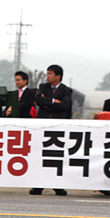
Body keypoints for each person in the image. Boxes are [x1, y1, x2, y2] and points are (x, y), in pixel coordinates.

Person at [31, 64, 72, 197]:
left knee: (57, 157)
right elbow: (38, 100)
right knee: (41, 155)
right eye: (47, 74)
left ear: (58, 76)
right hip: (43, 125)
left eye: (50, 74)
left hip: (58, 127)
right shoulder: (43, 87)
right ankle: (38, 185)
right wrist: (54, 101)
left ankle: (58, 186)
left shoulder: (66, 90)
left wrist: (47, 104)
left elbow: (65, 105)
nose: (47, 76)